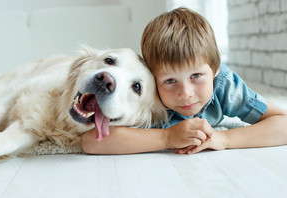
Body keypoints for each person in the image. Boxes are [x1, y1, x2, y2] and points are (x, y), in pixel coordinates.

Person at [82, 7, 287, 155]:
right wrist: (167, 137)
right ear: (154, 79)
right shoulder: (150, 98)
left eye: (196, 76)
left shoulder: (224, 85)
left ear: (214, 69)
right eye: (170, 81)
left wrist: (224, 139)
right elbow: (92, 142)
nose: (186, 93)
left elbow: (283, 123)